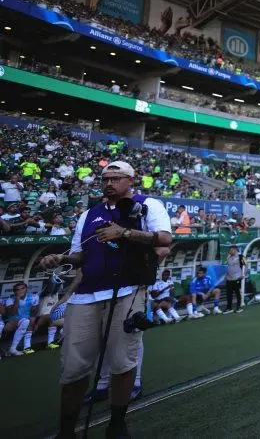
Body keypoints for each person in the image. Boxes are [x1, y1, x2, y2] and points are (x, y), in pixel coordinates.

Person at [36, 161, 172, 439]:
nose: (109, 183)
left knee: (122, 362)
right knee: (73, 368)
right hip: (86, 294)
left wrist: (125, 233)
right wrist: (61, 258)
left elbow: (165, 239)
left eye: (115, 178)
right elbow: (79, 256)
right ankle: (66, 431)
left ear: (130, 180)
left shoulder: (149, 205)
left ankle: (117, 424)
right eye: (105, 178)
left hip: (127, 289)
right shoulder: (88, 214)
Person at [3, 281, 38, 356]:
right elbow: (12, 313)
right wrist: (17, 300)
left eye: (22, 289)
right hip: (11, 322)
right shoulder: (10, 300)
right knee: (25, 321)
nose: (20, 291)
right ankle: (13, 349)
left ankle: (26, 347)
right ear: (15, 292)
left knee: (29, 320)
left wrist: (35, 322)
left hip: (25, 321)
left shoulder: (32, 298)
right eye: (17, 290)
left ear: (26, 289)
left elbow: (34, 312)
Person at [223, 245, 246, 313]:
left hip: (237, 277)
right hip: (229, 278)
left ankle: (239, 307)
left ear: (235, 250)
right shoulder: (229, 257)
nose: (229, 251)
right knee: (229, 293)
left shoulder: (241, 256)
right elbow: (228, 266)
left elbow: (246, 264)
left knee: (237, 293)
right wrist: (225, 276)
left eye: (230, 250)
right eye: (229, 250)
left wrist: (243, 274)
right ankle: (229, 308)